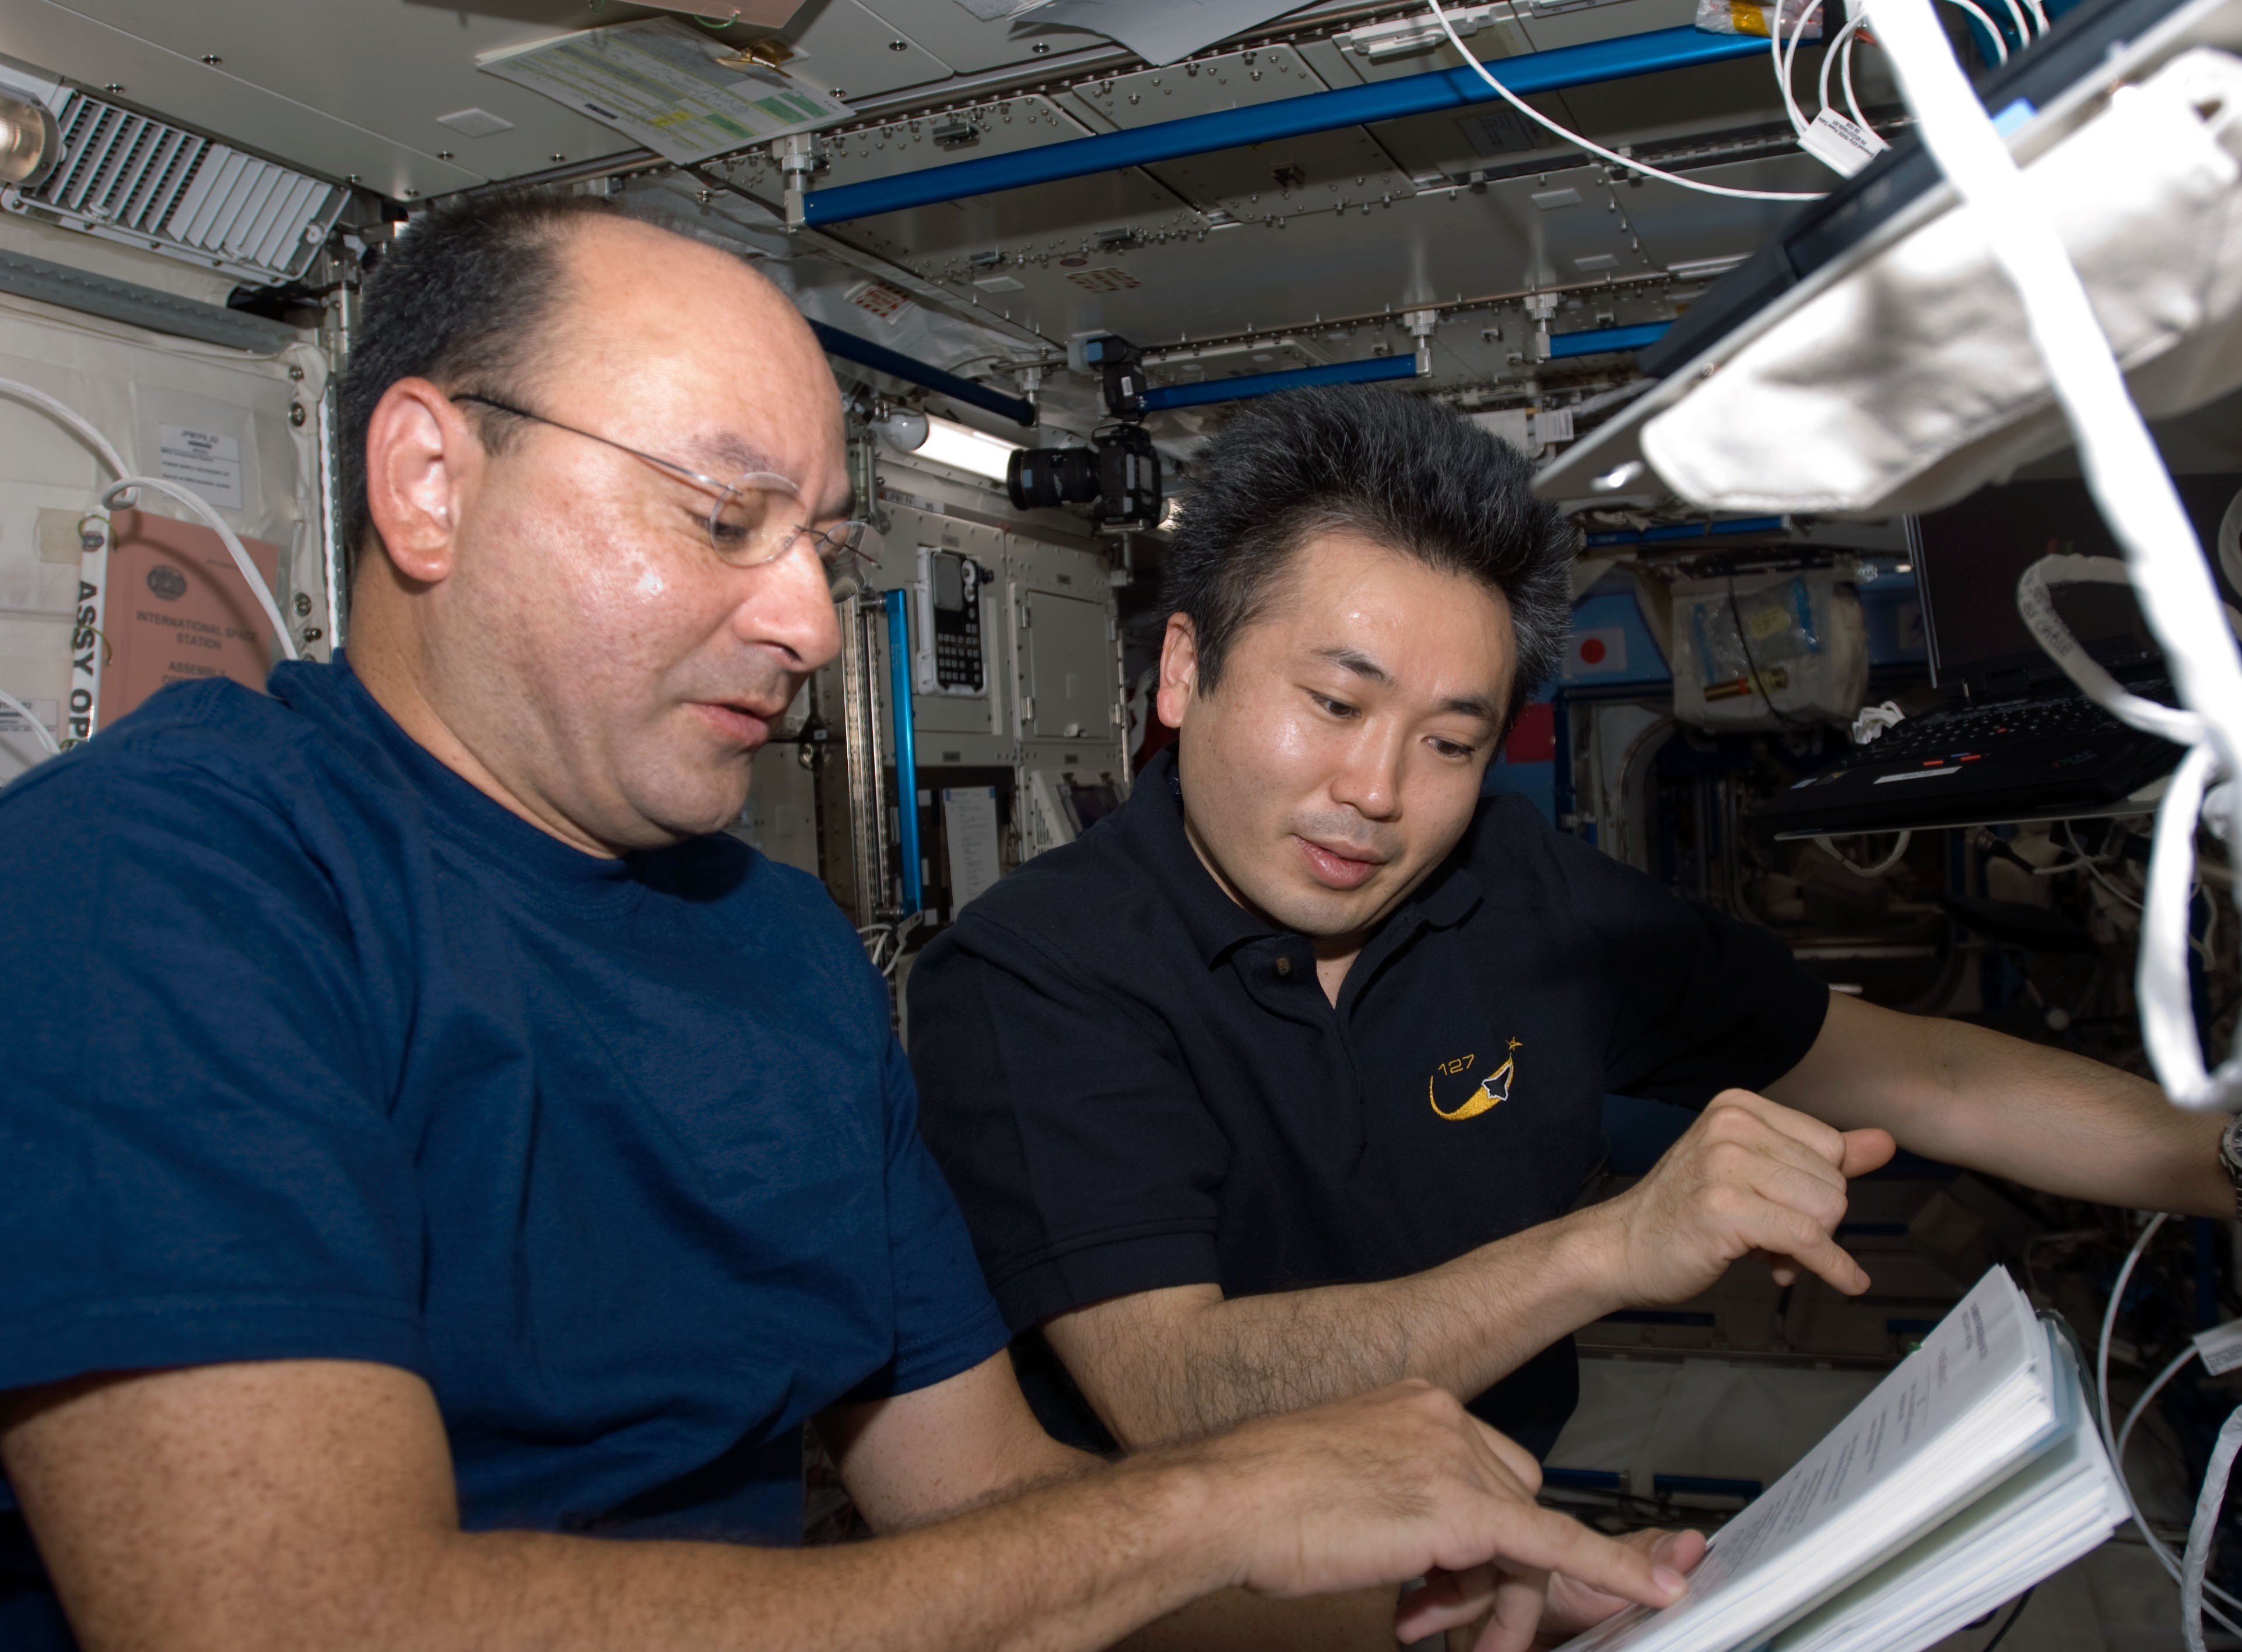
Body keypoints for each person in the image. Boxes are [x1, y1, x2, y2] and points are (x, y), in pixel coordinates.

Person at [0, 197, 1689, 1652]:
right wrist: (1199, 1504)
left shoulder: (784, 953)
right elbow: (292, 1623)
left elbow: (992, 1510)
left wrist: (1415, 1607)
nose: (809, 619)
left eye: (818, 542)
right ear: (431, 482)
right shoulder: (157, 884)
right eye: (723, 520)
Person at [906, 385, 2234, 1466]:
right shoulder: (1036, 974)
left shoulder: (1526, 897)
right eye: (1333, 703)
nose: (1376, 793)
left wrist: (2219, 1156)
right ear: (1185, 671)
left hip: (1500, 1563)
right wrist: (1610, 1247)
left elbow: (1924, 1072)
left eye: (1449, 739)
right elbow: (1176, 1391)